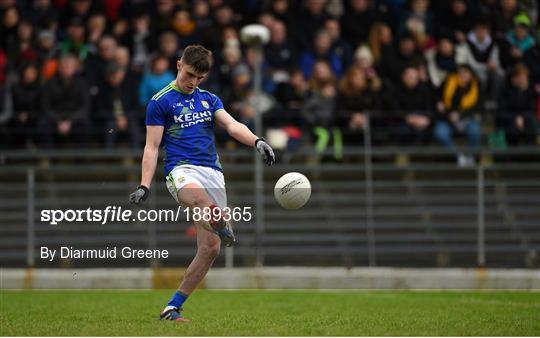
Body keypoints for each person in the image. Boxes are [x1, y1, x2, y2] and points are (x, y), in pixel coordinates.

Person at [128, 45, 275, 322]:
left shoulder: (209, 99)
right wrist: (144, 185)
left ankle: (172, 307)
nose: (193, 82)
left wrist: (258, 141)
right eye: (190, 74)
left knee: (210, 249)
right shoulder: (160, 102)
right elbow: (151, 147)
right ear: (178, 65)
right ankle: (221, 222)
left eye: (199, 78)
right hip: (181, 171)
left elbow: (232, 126)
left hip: (212, 172)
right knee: (200, 201)